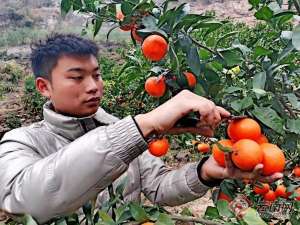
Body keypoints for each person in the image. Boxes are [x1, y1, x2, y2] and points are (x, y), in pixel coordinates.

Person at [0, 34, 282, 224]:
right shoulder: (21, 142)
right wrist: (146, 123)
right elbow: (27, 200)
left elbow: (159, 188)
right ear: (43, 87)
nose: (93, 87)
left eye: (97, 75)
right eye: (77, 77)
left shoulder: (121, 131)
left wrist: (205, 172)